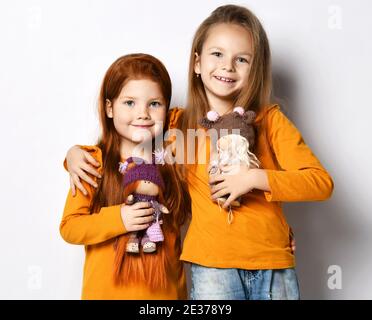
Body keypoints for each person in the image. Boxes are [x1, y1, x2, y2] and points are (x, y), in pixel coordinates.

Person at [65, 5, 333, 300]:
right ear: (197, 62)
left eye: (241, 59)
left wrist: (255, 179)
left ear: (254, 68)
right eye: (217, 54)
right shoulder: (179, 124)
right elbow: (131, 127)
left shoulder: (269, 121)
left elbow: (320, 182)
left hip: (272, 263)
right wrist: (74, 154)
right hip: (210, 267)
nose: (228, 66)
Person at [60, 53, 190, 299]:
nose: (143, 114)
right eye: (129, 103)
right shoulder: (92, 163)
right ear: (109, 108)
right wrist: (119, 218)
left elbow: (196, 122)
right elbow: (70, 227)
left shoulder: (173, 159)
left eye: (154, 104)